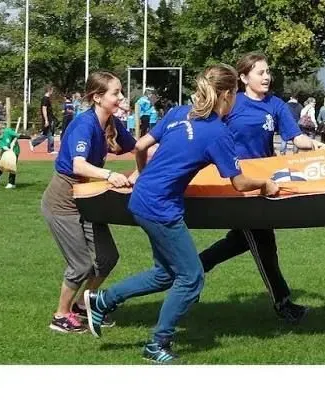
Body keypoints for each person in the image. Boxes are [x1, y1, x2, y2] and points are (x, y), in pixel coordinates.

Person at [83, 64, 279, 363]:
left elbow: (141, 146)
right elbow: (240, 183)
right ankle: (157, 343)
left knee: (165, 274)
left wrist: (143, 174)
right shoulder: (218, 132)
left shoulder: (178, 113)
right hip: (160, 208)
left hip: (144, 199)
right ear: (227, 94)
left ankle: (103, 300)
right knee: (191, 277)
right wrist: (265, 184)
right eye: (235, 96)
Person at [198, 52, 321, 324]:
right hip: (237, 184)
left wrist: (314, 144)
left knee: (241, 240)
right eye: (260, 72)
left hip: (263, 185)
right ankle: (283, 303)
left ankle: (191, 270)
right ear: (243, 78)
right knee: (263, 242)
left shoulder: (275, 105)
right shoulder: (233, 102)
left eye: (268, 72)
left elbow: (296, 137)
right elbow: (208, 130)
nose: (267, 77)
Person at [41, 71, 137, 333]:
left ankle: (84, 305)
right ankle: (61, 316)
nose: (121, 97)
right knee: (81, 264)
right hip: (63, 201)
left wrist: (168, 151)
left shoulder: (112, 123)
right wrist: (110, 174)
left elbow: (140, 147)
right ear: (97, 97)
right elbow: (79, 165)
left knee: (107, 257)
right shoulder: (84, 124)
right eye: (116, 93)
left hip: (89, 197)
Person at [0, 120, 20, 189]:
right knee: (0, 165)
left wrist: (13, 142)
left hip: (14, 151)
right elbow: (3, 146)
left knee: (11, 166)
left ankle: (11, 183)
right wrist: (8, 149)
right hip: (5, 151)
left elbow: (18, 135)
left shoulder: (8, 131)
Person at [30, 85, 57, 154]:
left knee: (46, 135)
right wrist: (46, 120)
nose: (52, 92)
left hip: (50, 118)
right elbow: (44, 109)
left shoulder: (47, 98)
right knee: (50, 134)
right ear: (49, 90)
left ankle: (33, 143)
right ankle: (50, 150)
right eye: (52, 90)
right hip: (48, 119)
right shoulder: (45, 99)